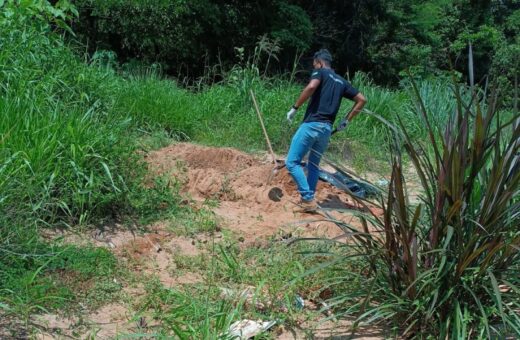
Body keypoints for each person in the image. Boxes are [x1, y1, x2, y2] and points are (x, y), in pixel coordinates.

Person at [285, 49, 366, 212]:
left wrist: (295, 107)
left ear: (319, 62)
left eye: (314, 64)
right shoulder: (341, 81)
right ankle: (309, 201)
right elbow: (362, 99)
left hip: (312, 125)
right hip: (326, 129)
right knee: (313, 164)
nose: (314, 67)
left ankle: (307, 199)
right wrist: (346, 120)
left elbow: (311, 86)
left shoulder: (319, 72)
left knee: (292, 162)